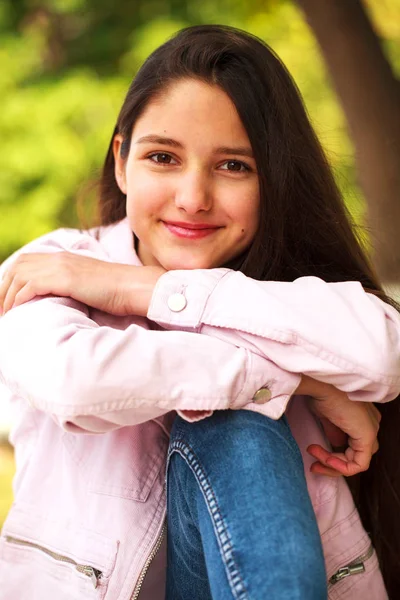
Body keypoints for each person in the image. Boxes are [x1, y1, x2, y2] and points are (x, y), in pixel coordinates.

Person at [0, 24, 399, 600]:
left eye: (234, 166)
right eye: (163, 157)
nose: (193, 197)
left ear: (274, 180)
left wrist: (138, 290)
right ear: (121, 160)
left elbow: (384, 352)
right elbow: (75, 382)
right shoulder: (51, 265)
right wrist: (302, 380)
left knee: (240, 426)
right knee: (242, 413)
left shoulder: (292, 290)